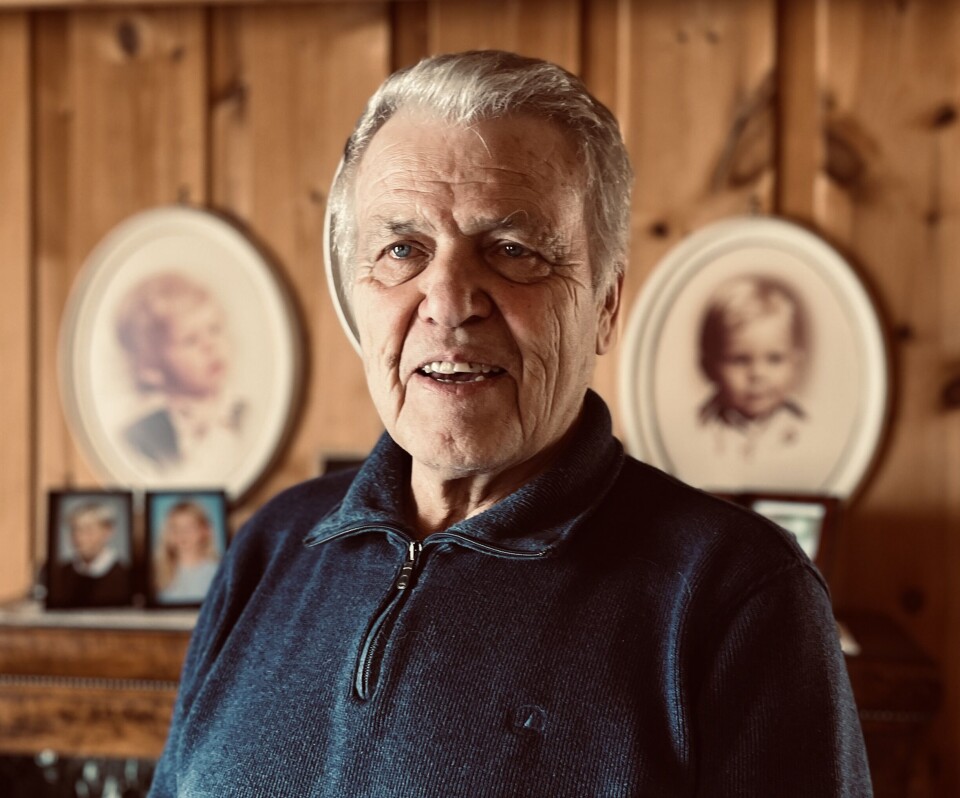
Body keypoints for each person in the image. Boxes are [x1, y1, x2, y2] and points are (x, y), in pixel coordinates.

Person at [150, 51, 871, 797]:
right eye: (403, 249)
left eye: (512, 251)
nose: (449, 301)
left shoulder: (736, 596)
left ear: (605, 304)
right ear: (356, 291)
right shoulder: (271, 548)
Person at [115, 271, 247, 477]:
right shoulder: (141, 437)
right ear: (150, 368)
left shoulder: (246, 416)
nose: (210, 345)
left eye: (214, 329)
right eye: (190, 340)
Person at [698, 274, 809, 461]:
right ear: (709, 368)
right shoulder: (702, 429)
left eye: (774, 359)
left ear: (795, 364)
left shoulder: (802, 430)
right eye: (740, 360)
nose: (758, 373)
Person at [53, 501, 131, 608]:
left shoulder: (126, 575)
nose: (78, 538)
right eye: (74, 530)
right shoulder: (60, 573)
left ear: (107, 531)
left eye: (87, 530)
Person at [153, 500, 222, 605]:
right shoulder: (158, 572)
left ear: (205, 530)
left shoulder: (218, 571)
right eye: (175, 527)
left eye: (189, 527)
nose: (182, 533)